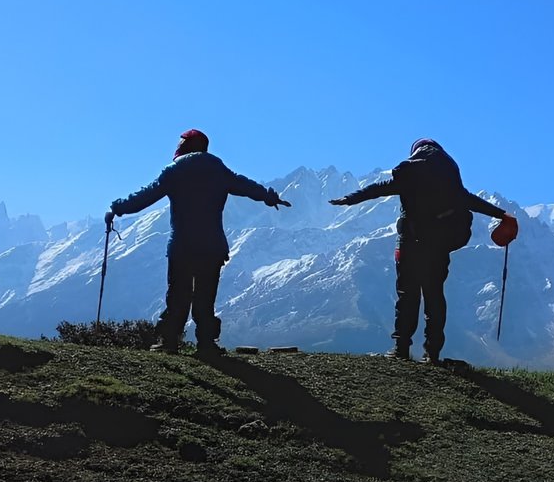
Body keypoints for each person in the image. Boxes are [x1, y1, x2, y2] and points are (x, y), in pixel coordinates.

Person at [330, 138, 516, 363]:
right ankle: (433, 353)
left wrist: (350, 199)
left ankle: (401, 349)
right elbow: (471, 201)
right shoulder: (449, 183)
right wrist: (501, 214)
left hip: (410, 243)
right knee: (434, 296)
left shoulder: (410, 177)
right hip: (438, 247)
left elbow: (379, 189)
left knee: (407, 295)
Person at [108, 129, 290, 356]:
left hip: (182, 246)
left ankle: (169, 342)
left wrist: (117, 208)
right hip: (212, 247)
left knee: (178, 295)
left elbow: (145, 197)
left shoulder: (174, 171)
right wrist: (268, 196)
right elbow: (245, 186)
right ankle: (206, 344)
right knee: (205, 297)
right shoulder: (219, 170)